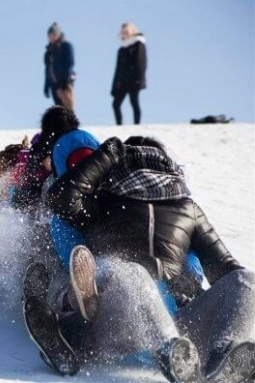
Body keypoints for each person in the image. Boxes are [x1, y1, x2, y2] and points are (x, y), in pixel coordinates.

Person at [40, 135, 255, 382]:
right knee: (132, 272)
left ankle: (226, 360)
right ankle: (169, 351)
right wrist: (106, 157)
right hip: (122, 322)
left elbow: (227, 271)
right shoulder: (103, 201)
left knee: (245, 279)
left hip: (180, 323)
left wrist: (190, 283)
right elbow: (60, 200)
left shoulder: (188, 209)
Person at [111, 22, 147, 125]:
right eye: (122, 32)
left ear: (132, 31)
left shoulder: (138, 43)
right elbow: (117, 69)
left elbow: (141, 63)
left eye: (126, 31)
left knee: (134, 102)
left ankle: (137, 125)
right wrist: (114, 86)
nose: (124, 33)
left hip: (134, 80)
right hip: (122, 81)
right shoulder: (122, 48)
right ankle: (119, 125)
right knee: (115, 104)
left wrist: (139, 79)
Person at [43, 23, 75, 111]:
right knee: (59, 107)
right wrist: (46, 85)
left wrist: (67, 79)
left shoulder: (66, 46)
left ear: (57, 35)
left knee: (68, 105)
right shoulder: (48, 53)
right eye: (49, 35)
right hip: (55, 83)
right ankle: (62, 124)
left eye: (53, 35)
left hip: (65, 81)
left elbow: (70, 63)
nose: (51, 37)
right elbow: (47, 70)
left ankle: (72, 123)